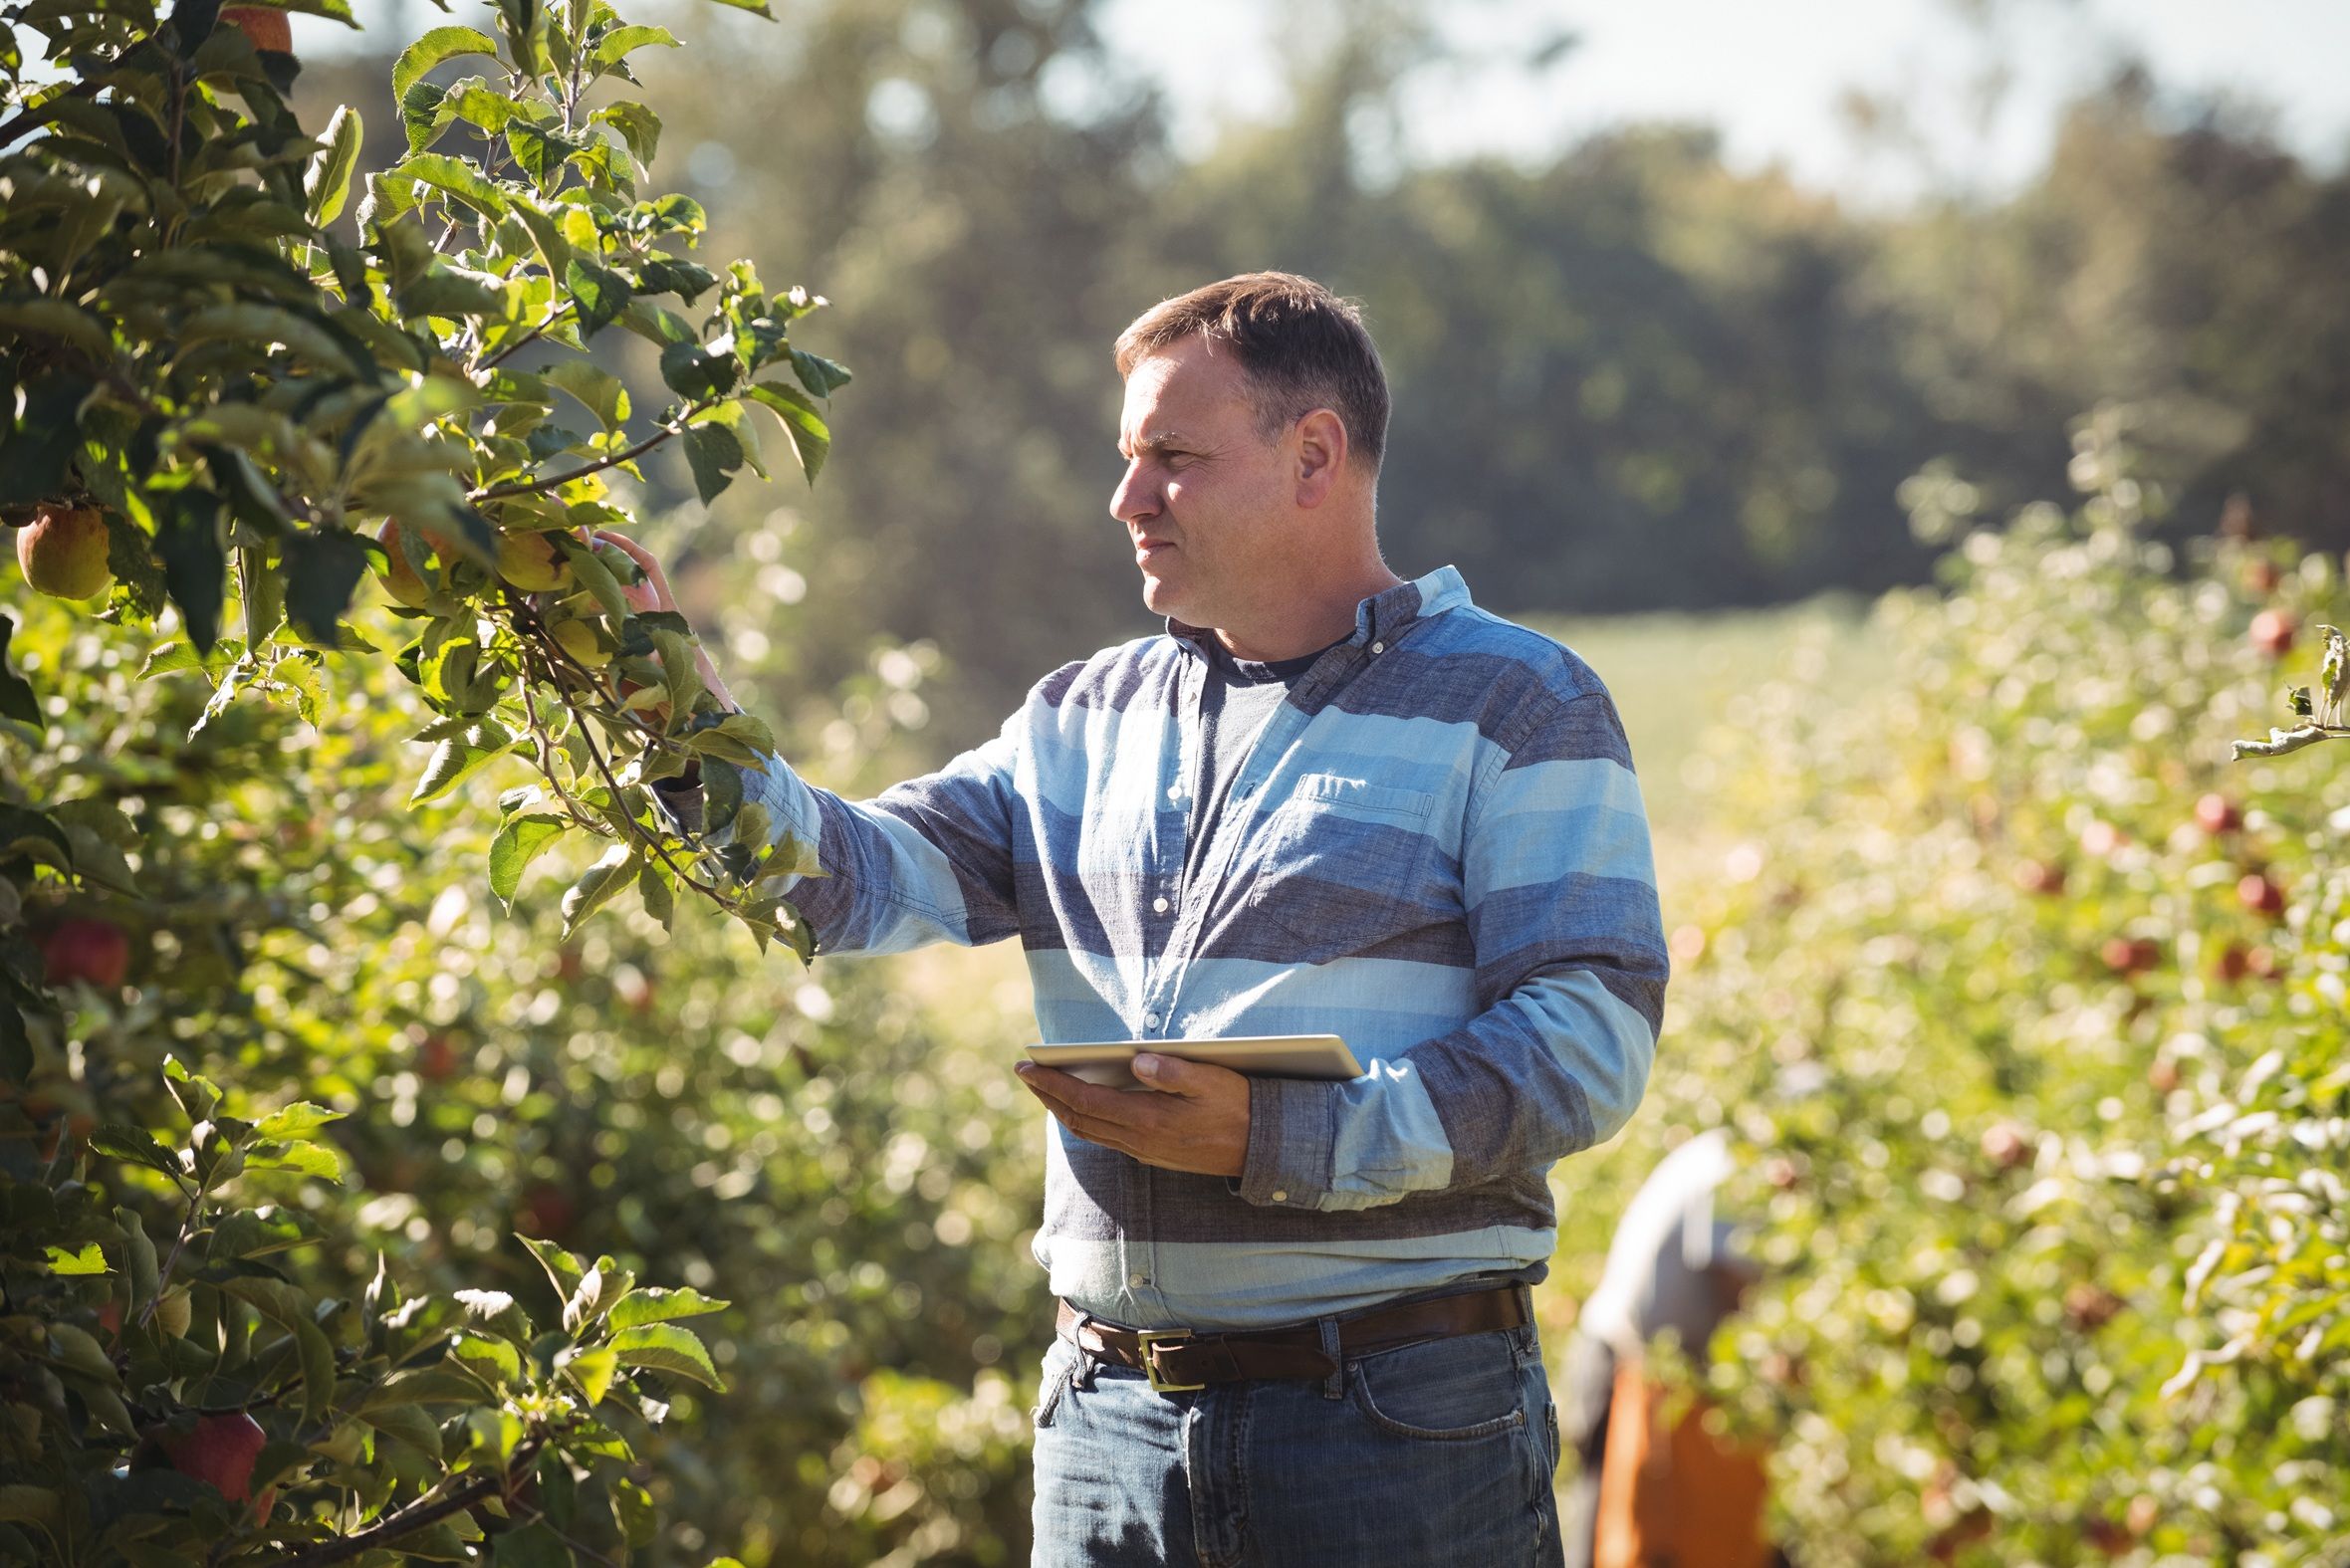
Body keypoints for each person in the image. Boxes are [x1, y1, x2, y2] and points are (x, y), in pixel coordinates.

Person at [607, 272, 1669, 1568]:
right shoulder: (1080, 717)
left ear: (1313, 456)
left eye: (1173, 456)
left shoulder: (1519, 702)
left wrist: (1288, 1134)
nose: (1128, 499)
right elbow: (850, 883)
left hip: (1388, 1433)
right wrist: (679, 722)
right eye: (1127, 457)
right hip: (1107, 1430)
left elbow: (1587, 1042)